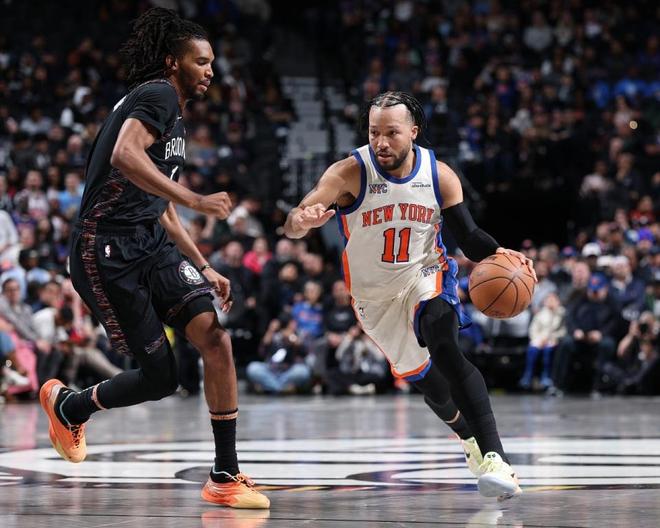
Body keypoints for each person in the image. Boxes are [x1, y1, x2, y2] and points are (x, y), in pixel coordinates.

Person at [38, 8, 269, 509]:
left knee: (216, 339)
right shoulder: (158, 94)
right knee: (161, 378)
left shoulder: (171, 110)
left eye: (212, 62)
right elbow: (124, 155)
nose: (210, 71)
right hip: (106, 248)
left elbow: (157, 203)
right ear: (172, 62)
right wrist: (197, 200)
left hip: (149, 241)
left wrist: (203, 265)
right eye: (201, 61)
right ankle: (70, 406)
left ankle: (225, 474)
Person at [284, 91, 536, 500]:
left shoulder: (440, 176)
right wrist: (302, 221)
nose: (381, 142)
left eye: (392, 133)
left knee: (445, 346)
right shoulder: (349, 173)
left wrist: (501, 253)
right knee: (431, 385)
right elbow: (295, 219)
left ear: (413, 132)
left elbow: (468, 237)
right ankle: (469, 440)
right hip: (374, 298)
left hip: (425, 275)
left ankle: (498, 459)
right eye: (374, 132)